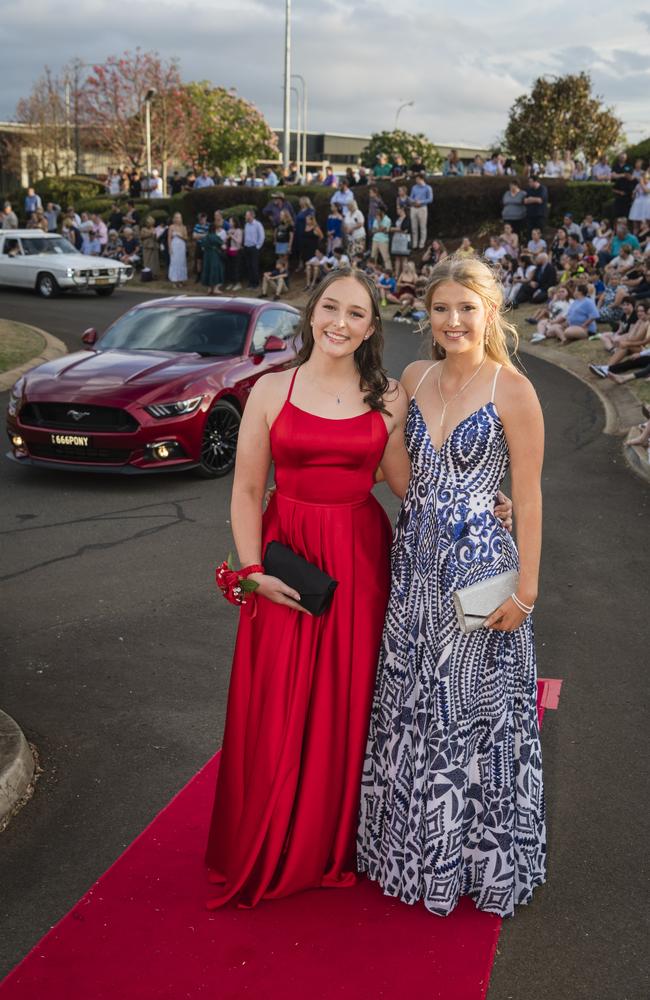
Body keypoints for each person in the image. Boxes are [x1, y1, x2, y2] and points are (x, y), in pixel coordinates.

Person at [204, 270, 404, 909]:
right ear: (310, 313)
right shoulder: (269, 390)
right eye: (330, 307)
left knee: (348, 701)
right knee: (278, 700)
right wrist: (253, 569)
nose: (340, 323)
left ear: (371, 328)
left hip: (362, 561)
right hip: (287, 557)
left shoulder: (390, 397)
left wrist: (488, 505)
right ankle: (272, 836)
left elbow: (412, 488)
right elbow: (244, 491)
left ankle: (330, 843)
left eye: (356, 314)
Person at [358, 254, 545, 918]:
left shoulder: (513, 390)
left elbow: (527, 495)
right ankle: (407, 852)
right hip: (416, 568)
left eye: (467, 307)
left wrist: (525, 591)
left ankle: (470, 862)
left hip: (482, 577)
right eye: (441, 308)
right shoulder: (414, 375)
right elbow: (390, 458)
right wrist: (435, 505)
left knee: (470, 716)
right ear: (427, 315)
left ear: (490, 312)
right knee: (413, 707)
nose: (454, 320)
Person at [409, 173, 433, 249]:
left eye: (417, 179)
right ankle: (414, 244)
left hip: (422, 208)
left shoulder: (428, 188)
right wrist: (413, 201)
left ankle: (421, 244)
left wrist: (421, 202)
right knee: (414, 227)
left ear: (422, 179)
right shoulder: (414, 187)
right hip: (414, 208)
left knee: (422, 227)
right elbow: (410, 197)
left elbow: (430, 199)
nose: (416, 180)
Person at [243, 209, 265, 289]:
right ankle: (250, 282)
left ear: (251, 216)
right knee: (248, 266)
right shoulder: (246, 225)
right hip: (247, 247)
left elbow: (262, 236)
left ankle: (256, 283)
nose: (245, 216)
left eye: (247, 215)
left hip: (254, 248)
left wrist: (258, 246)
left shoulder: (257, 224)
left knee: (254, 266)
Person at [200, 223, 225, 294]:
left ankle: (209, 289)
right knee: (216, 271)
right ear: (215, 229)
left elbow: (202, 248)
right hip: (215, 256)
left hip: (207, 257)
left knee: (208, 270)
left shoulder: (205, 238)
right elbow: (224, 246)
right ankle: (215, 289)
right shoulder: (216, 237)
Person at [167, 212, 188, 287]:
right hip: (174, 246)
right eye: (176, 217)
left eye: (179, 217)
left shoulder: (183, 227)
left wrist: (180, 235)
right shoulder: (171, 227)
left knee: (181, 262)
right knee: (174, 262)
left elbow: (186, 238)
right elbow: (169, 238)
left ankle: (181, 280)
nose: (178, 219)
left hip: (181, 246)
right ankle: (174, 281)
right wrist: (170, 248)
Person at [224, 216, 243, 290]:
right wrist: (227, 237)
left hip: (236, 251)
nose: (229, 223)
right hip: (229, 250)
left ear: (234, 222)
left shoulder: (239, 230)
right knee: (230, 267)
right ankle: (231, 282)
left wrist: (232, 236)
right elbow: (225, 240)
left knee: (236, 268)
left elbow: (239, 241)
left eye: (230, 221)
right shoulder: (229, 230)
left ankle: (237, 283)